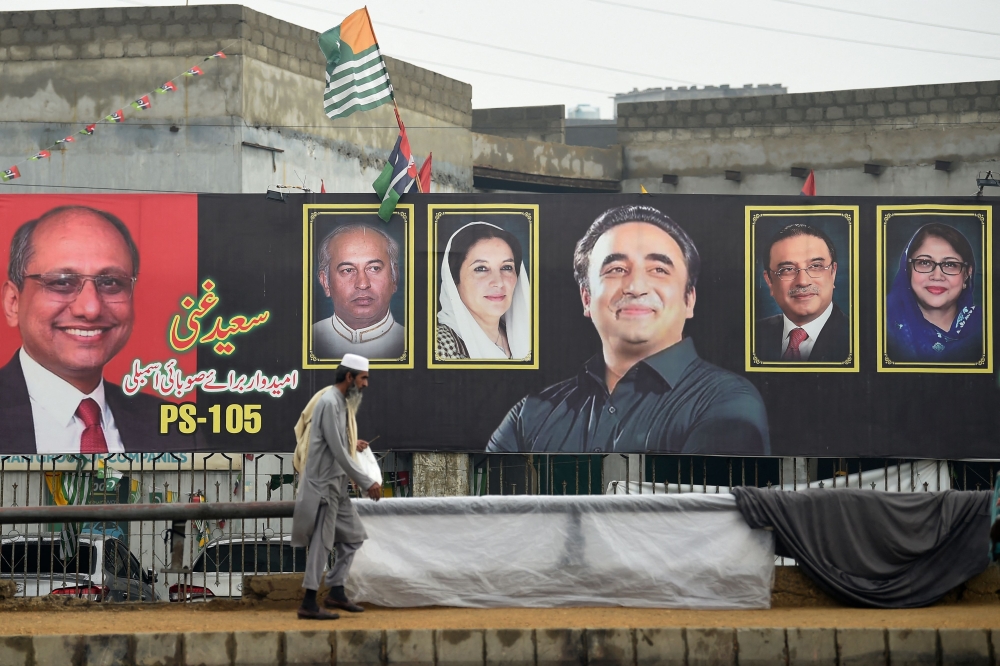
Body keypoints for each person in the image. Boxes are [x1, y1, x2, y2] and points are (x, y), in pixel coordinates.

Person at [488, 205, 769, 455]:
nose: (635, 287)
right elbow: (488, 512)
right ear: (586, 298)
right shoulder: (531, 415)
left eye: (659, 269)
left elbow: (701, 513)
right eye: (616, 269)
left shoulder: (727, 403)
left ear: (689, 299)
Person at [0, 205, 195, 454]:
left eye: (110, 282)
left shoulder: (173, 428)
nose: (90, 308)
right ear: (13, 303)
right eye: (62, 282)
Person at [292, 353, 382, 620]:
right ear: (349, 377)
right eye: (363, 378)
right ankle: (309, 602)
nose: (366, 384)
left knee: (354, 537)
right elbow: (338, 452)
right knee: (322, 544)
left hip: (337, 487)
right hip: (323, 487)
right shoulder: (330, 402)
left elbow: (341, 445)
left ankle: (337, 590)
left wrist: (354, 445)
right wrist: (367, 482)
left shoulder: (340, 403)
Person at [886, 223, 982, 363]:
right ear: (907, 269)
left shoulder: (988, 325)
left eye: (950, 265)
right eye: (925, 262)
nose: (937, 276)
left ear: (967, 274)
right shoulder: (881, 324)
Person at [435, 221, 531, 360]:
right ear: (454, 280)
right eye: (481, 268)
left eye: (506, 267)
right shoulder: (440, 347)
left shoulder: (529, 337)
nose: (498, 282)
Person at [755, 223, 849, 363]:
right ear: (769, 280)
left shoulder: (862, 339)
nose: (803, 281)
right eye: (787, 269)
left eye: (816, 266)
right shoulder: (748, 337)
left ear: (833, 273)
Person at [312, 224, 404, 360]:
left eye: (374, 268)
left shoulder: (418, 343)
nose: (362, 284)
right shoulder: (305, 340)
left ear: (394, 277)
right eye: (348, 270)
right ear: (325, 281)